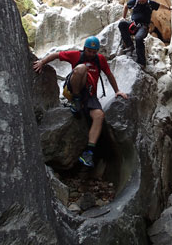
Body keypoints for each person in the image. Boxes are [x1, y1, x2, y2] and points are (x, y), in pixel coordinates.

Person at [33, 36, 128, 168]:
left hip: (90, 96)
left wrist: (117, 90)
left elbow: (109, 74)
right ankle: (76, 100)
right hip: (74, 88)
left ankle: (89, 151)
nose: (91, 54)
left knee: (99, 115)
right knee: (82, 68)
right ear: (85, 49)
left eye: (94, 52)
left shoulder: (100, 59)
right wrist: (42, 62)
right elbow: (56, 55)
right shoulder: (76, 55)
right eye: (89, 51)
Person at [118, 0, 172, 68]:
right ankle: (129, 45)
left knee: (138, 38)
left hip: (143, 27)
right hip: (133, 24)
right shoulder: (135, 2)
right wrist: (123, 17)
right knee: (122, 24)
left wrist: (169, 8)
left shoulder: (150, 4)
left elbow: (159, 6)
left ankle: (141, 62)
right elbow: (126, 6)